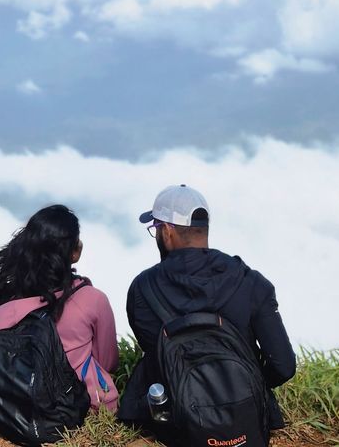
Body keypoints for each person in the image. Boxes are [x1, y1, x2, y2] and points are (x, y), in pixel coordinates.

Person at [118, 184, 296, 443]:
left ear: (167, 232)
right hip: (246, 419)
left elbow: (154, 354)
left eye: (155, 228)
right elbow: (284, 366)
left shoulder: (142, 289)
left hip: (177, 425)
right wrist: (246, 386)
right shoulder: (252, 282)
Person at [0, 204, 119, 411]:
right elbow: (108, 362)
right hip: (81, 405)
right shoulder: (92, 299)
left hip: (19, 402)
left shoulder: (10, 299)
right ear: (74, 252)